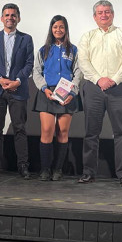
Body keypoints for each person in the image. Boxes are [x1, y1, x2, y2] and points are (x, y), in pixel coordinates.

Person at [77, 0, 122, 187]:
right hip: (93, 87)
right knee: (91, 132)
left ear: (113, 14)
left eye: (107, 12)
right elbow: (83, 62)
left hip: (118, 88)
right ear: (95, 17)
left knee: (121, 133)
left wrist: (114, 79)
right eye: (100, 12)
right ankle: (88, 172)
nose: (104, 15)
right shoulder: (87, 37)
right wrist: (99, 79)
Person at [0, 3, 34, 179]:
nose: (10, 18)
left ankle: (23, 165)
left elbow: (29, 64)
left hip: (17, 89)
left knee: (20, 128)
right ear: (1, 18)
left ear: (18, 18)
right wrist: (0, 79)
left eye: (13, 15)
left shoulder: (26, 39)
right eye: (7, 15)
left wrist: (17, 81)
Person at [32, 15, 82, 181]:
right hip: (47, 93)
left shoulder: (73, 50)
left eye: (61, 27)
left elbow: (78, 73)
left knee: (63, 131)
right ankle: (45, 169)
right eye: (55, 27)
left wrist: (72, 92)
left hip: (67, 93)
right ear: (51, 29)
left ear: (66, 29)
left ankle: (58, 169)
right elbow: (37, 72)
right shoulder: (44, 50)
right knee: (47, 130)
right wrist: (44, 88)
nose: (58, 30)